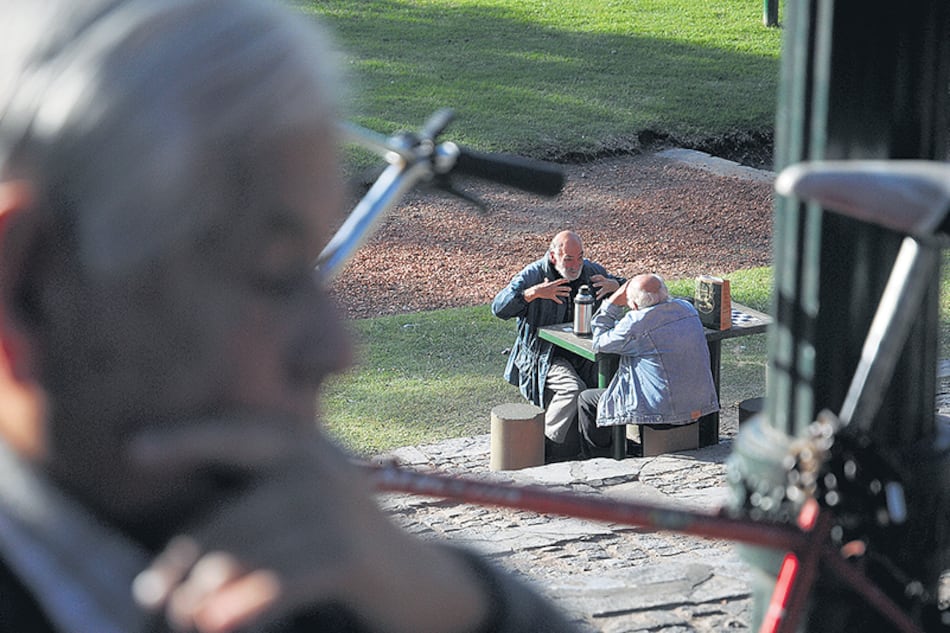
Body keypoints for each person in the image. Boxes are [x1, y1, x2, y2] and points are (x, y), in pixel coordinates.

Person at [0, 1, 580, 632]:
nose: (337, 351)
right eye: (274, 273)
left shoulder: (304, 575)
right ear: (28, 288)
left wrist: (452, 602)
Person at [491, 231, 624, 461]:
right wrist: (532, 294)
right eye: (569, 259)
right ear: (553, 257)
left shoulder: (592, 273)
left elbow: (641, 289)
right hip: (542, 354)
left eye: (580, 257)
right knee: (572, 388)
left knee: (619, 374)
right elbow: (499, 308)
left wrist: (617, 285)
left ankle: (606, 448)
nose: (576, 265)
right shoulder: (534, 274)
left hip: (583, 353)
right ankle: (547, 448)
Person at [576, 274, 720, 457]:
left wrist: (612, 303)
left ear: (634, 306)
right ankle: (631, 446)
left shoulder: (636, 323)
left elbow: (600, 342)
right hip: (700, 405)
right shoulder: (687, 309)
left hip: (661, 412)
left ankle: (604, 458)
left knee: (588, 400)